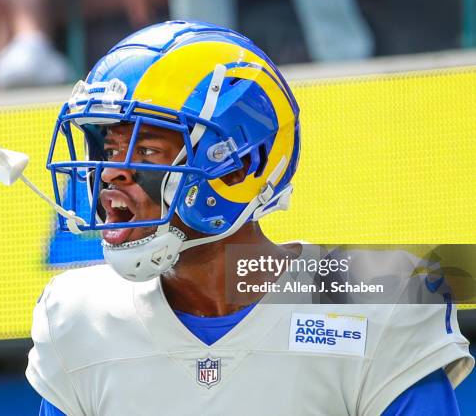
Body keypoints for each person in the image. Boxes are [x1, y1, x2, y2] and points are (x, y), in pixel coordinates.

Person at [25, 21, 473, 415]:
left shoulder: (375, 300)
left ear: (239, 168)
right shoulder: (78, 318)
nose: (113, 172)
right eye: (108, 150)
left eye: (145, 150)